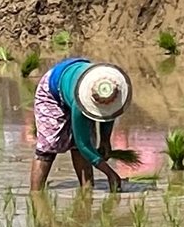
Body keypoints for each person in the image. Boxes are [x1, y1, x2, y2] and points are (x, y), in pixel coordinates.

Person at [30, 58, 133, 192]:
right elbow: (83, 143)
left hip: (76, 78)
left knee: (81, 148)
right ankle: (36, 194)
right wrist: (109, 173)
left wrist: (105, 142)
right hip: (52, 91)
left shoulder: (112, 88)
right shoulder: (80, 104)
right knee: (49, 146)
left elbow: (108, 115)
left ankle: (86, 192)